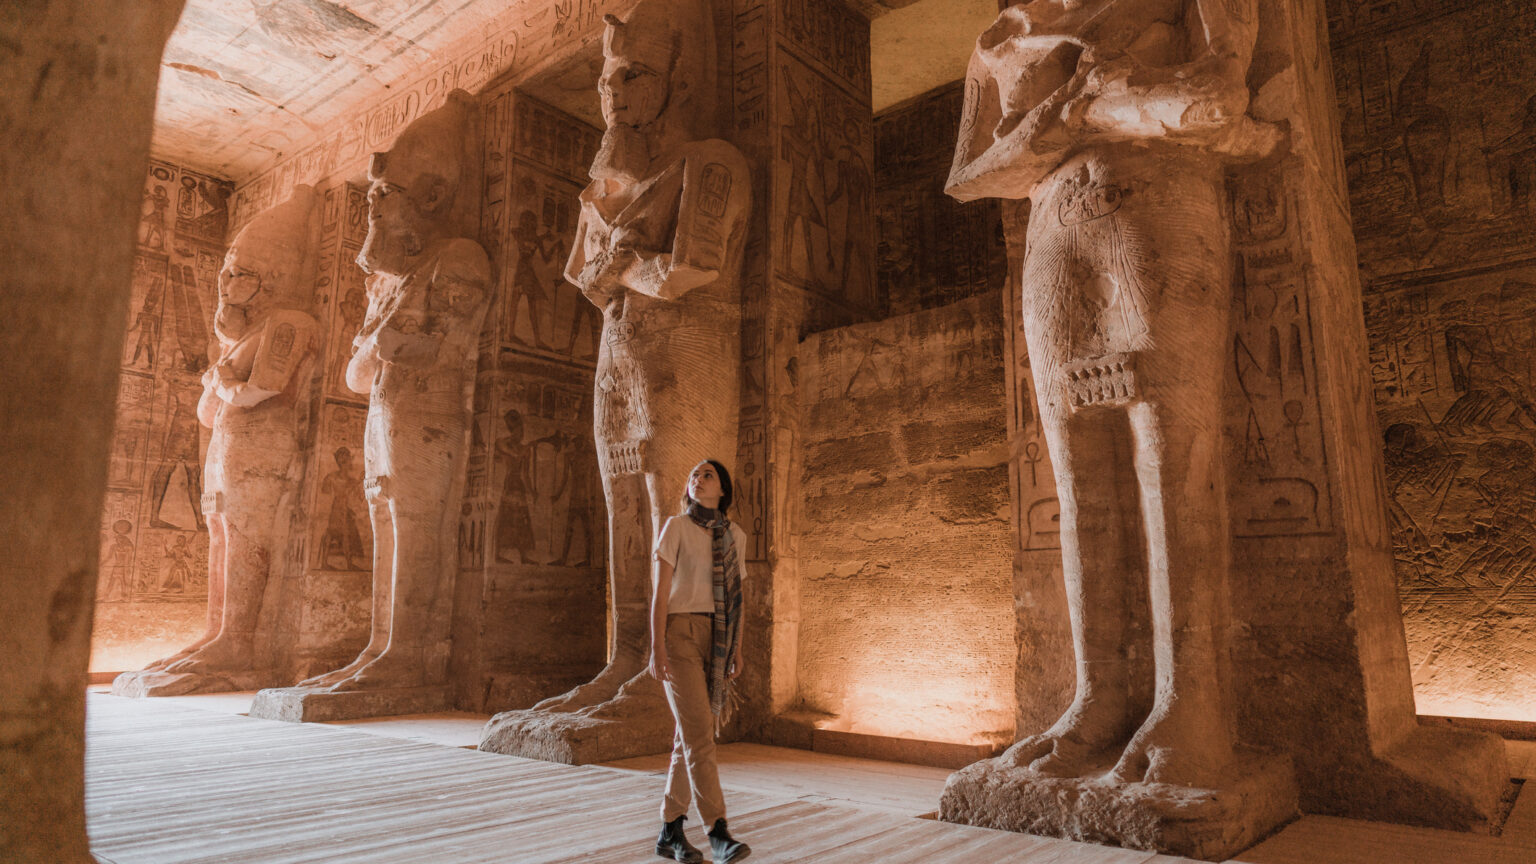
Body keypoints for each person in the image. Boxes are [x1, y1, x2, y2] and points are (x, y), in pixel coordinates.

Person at [648, 459, 751, 864]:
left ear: (722, 489)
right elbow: (659, 594)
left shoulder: (735, 535)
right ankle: (718, 830)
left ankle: (670, 831)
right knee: (700, 738)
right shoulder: (675, 527)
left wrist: (737, 648)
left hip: (718, 640)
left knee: (688, 737)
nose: (697, 478)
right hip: (679, 635)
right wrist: (656, 648)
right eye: (693, 474)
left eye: (707, 474)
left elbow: (739, 598)